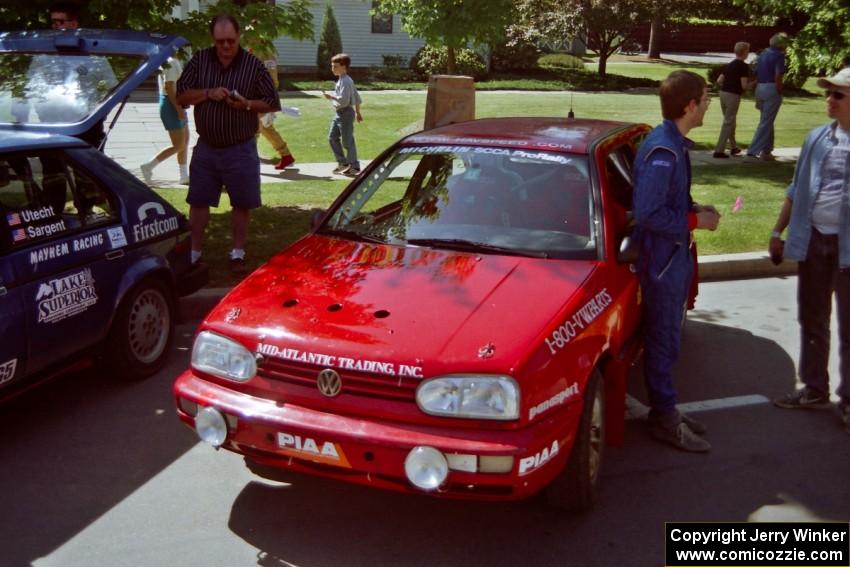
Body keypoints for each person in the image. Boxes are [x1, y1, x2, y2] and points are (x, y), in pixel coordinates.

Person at [633, 70, 721, 452]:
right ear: (690, 105)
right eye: (705, 98)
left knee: (669, 339)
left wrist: (693, 207)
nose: (708, 105)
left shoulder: (674, 144)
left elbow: (669, 200)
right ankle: (665, 418)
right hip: (662, 262)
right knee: (663, 338)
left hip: (672, 258)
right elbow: (648, 213)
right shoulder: (664, 151)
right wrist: (695, 220)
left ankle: (665, 411)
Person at [770, 67, 850, 433]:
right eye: (828, 93)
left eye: (838, 94)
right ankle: (815, 388)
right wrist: (778, 230)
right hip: (816, 240)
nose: (829, 100)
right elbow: (795, 187)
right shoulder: (817, 138)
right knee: (812, 318)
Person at [176, 14, 280, 273]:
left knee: (242, 202)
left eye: (230, 41)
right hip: (207, 147)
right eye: (220, 41)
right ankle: (194, 252)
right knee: (198, 200)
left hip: (240, 147)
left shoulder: (254, 65)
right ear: (213, 39)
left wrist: (246, 103)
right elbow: (181, 94)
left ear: (238, 38)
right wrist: (208, 93)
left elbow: (272, 101)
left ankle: (237, 252)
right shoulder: (200, 60)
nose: (225, 46)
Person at [140, 56, 190, 185]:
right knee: (179, 145)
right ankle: (148, 166)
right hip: (171, 104)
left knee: (185, 141)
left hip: (177, 102)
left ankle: (184, 176)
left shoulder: (175, 60)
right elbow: (169, 86)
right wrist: (178, 109)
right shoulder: (172, 62)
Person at [747, 33, 790, 161]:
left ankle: (767, 150)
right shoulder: (779, 56)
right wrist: (779, 90)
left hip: (760, 87)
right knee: (766, 122)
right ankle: (752, 152)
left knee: (766, 120)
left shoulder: (763, 54)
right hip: (771, 88)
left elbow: (754, 73)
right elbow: (778, 76)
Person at [253, 45, 295, 170]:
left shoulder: (265, 53)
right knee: (258, 128)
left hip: (262, 98)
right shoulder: (248, 49)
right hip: (253, 97)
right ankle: (285, 155)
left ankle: (285, 155)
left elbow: (272, 78)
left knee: (262, 127)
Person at [323, 53, 363, 176]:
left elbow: (345, 100)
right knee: (332, 137)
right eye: (332, 66)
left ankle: (354, 166)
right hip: (339, 113)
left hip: (345, 113)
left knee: (347, 141)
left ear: (344, 67)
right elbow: (356, 97)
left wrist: (331, 96)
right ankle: (343, 163)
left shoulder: (346, 81)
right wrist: (358, 112)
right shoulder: (341, 80)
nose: (332, 69)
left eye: (335, 66)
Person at [713, 41, 753, 159]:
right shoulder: (743, 66)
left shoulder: (729, 65)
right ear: (745, 52)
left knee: (731, 121)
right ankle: (719, 151)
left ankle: (733, 147)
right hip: (733, 95)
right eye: (748, 51)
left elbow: (719, 81)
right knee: (728, 122)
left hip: (723, 94)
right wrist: (755, 82)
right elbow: (744, 86)